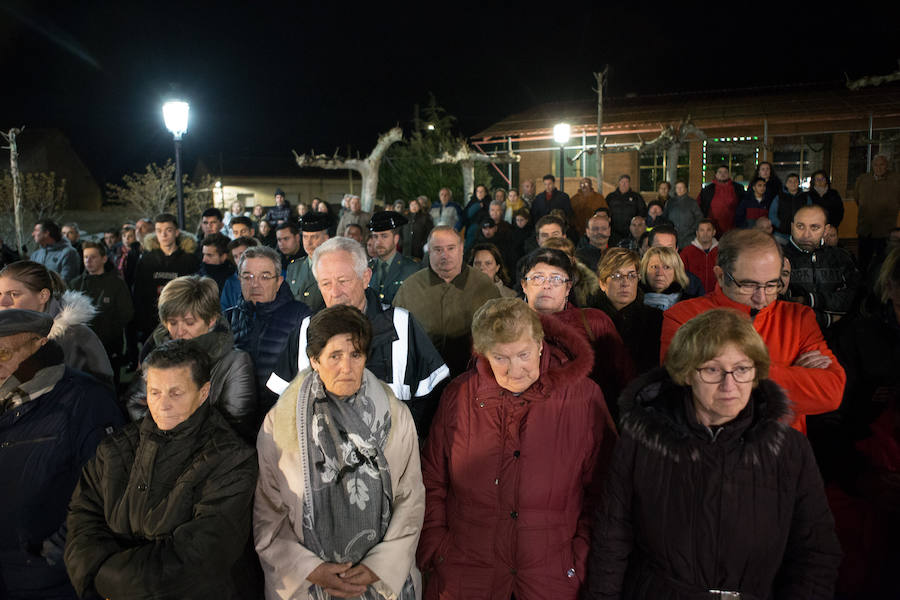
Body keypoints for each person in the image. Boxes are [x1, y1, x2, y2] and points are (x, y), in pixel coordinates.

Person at [592, 309, 843, 599]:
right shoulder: (642, 441)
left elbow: (816, 553)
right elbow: (611, 539)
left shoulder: (790, 450)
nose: (729, 385)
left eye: (742, 369)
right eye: (712, 369)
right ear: (686, 373)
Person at [418, 298, 617, 599]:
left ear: (539, 344)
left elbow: (605, 491)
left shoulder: (584, 398)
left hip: (552, 576)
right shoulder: (459, 395)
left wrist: (579, 557)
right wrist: (437, 547)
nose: (515, 370)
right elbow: (433, 479)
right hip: (465, 575)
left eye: (523, 354)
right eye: (500, 358)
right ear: (482, 353)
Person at [65, 340, 258, 599]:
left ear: (203, 393)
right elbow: (83, 518)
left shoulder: (231, 458)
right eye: (155, 392)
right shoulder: (115, 448)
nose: (163, 404)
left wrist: (105, 578)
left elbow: (202, 555)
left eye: (176, 393)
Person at [255, 304, 424, 600]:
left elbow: (410, 499)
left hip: (380, 583)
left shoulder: (395, 416)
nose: (346, 367)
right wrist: (311, 569)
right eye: (334, 356)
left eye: (355, 355)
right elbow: (269, 511)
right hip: (308, 584)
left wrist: (379, 566)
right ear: (314, 360)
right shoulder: (281, 422)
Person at [661, 228, 846, 434]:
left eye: (772, 285)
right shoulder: (682, 316)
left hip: (782, 452)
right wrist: (787, 375)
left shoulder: (798, 317)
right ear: (720, 276)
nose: (762, 298)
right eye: (749, 285)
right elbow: (683, 394)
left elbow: (830, 393)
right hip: (711, 452)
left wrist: (722, 373)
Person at [267, 237, 449, 436]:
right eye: (326, 283)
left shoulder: (402, 325)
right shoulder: (304, 332)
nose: (335, 292)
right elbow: (280, 407)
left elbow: (437, 401)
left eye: (343, 281)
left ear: (365, 277)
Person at [0, 309, 122, 600]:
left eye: (4, 353)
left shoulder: (85, 400)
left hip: (50, 580)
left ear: (38, 345)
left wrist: (51, 556)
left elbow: (105, 493)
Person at [126, 275, 258, 441]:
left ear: (211, 320)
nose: (180, 331)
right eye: (172, 323)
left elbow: (236, 423)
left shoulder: (235, 362)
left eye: (189, 322)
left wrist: (173, 431)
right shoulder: (156, 354)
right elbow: (135, 403)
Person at [520, 247, 632, 408]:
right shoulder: (507, 326)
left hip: (582, 414)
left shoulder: (594, 321)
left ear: (568, 288)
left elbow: (623, 376)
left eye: (556, 279)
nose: (547, 285)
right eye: (538, 277)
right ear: (524, 285)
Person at [393, 227, 500, 377]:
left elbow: (500, 336)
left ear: (461, 249)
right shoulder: (410, 288)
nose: (445, 255)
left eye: (451, 248)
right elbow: (396, 337)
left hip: (473, 377)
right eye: (438, 250)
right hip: (421, 377)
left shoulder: (484, 286)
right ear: (429, 251)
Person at [226, 245, 312, 412]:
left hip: (282, 417)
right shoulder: (227, 319)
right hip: (236, 419)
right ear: (239, 279)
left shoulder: (301, 317)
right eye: (248, 276)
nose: (255, 284)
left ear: (279, 281)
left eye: (264, 277)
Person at [0, 260, 114, 384]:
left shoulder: (76, 336)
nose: (3, 302)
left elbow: (101, 392)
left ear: (43, 296)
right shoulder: (7, 335)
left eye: (14, 294)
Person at [784, 204, 860, 331]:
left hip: (839, 335)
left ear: (826, 230)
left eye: (815, 227)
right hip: (793, 334)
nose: (806, 235)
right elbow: (781, 306)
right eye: (800, 226)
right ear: (792, 227)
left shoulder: (840, 257)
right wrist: (826, 319)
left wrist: (809, 300)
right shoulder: (779, 258)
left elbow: (854, 298)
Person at [132, 213, 200, 342]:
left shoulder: (189, 260)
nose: (163, 235)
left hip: (181, 320)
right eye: (159, 231)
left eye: (168, 230)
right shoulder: (146, 260)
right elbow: (139, 292)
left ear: (176, 232)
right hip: (151, 321)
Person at [595, 248, 663, 376]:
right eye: (617, 276)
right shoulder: (589, 319)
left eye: (631, 276)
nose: (625, 283)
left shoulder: (655, 319)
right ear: (602, 283)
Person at [68, 241, 134, 368]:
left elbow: (126, 313)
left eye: (93, 257)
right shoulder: (75, 284)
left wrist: (108, 332)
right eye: (86, 257)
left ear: (104, 259)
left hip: (109, 345)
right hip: (81, 345)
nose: (88, 260)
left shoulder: (116, 284)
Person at [856, 154, 900, 272]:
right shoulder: (863, 179)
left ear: (887, 166)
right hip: (866, 229)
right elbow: (857, 199)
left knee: (884, 263)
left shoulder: (896, 180)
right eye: (876, 165)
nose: (879, 168)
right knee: (863, 262)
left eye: (882, 165)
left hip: (885, 231)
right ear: (872, 166)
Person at [368, 211, 421, 304]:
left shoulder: (412, 269)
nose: (378, 242)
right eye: (375, 237)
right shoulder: (367, 268)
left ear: (396, 239)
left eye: (384, 236)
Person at [286, 212, 331, 311]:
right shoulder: (294, 267)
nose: (309, 242)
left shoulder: (334, 267)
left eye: (314, 237)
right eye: (305, 237)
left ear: (326, 239)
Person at [639, 246, 691, 311]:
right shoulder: (630, 301)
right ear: (645, 270)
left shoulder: (689, 305)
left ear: (676, 272)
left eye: (666, 267)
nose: (660, 273)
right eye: (654, 267)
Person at [699, 165, 745, 235]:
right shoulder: (707, 190)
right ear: (716, 175)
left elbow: (744, 205)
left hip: (733, 227)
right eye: (720, 172)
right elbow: (700, 206)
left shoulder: (738, 188)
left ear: (729, 174)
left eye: (725, 172)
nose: (722, 174)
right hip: (712, 228)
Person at [679, 218, 719, 293]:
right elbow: (680, 274)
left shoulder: (721, 251)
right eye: (702, 230)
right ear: (697, 233)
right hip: (694, 296)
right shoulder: (687, 252)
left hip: (716, 297)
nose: (705, 233)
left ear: (714, 232)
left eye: (708, 230)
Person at [221, 236, 258, 311]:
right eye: (235, 256)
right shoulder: (231, 282)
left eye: (242, 254)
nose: (239, 259)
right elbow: (225, 310)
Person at [769, 172, 809, 242]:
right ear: (786, 184)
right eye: (790, 181)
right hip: (781, 234)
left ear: (799, 183)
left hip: (801, 234)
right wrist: (780, 225)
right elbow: (772, 214)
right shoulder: (779, 197)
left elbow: (811, 214)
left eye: (795, 181)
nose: (793, 183)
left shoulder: (805, 197)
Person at [605, 175, 647, 240]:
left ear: (629, 184)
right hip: (614, 231)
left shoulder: (636, 197)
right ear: (619, 183)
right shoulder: (611, 197)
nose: (624, 184)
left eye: (626, 182)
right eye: (622, 182)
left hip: (630, 232)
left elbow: (642, 212)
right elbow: (606, 211)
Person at [663, 180, 702, 249]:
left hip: (689, 237)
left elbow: (699, 218)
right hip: (673, 235)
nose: (679, 189)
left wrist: (691, 230)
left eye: (681, 187)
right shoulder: (670, 202)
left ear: (686, 189)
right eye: (677, 187)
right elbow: (665, 217)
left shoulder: (692, 203)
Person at [401, 196, 433, 260]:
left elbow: (429, 232)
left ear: (419, 206)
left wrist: (423, 244)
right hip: (405, 249)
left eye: (416, 204)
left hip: (418, 250)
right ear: (409, 206)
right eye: (412, 205)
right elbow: (400, 231)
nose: (414, 207)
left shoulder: (426, 218)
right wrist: (401, 242)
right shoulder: (404, 218)